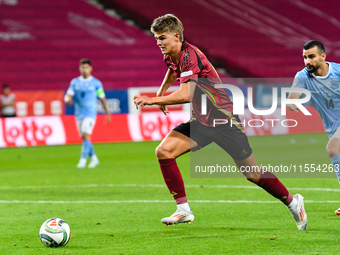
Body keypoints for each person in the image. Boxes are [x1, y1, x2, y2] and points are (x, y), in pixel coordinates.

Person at [133, 14, 307, 230]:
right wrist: (162, 91)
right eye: (156, 38)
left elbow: (187, 93)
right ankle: (183, 210)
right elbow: (171, 70)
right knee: (164, 151)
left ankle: (293, 202)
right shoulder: (172, 54)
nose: (158, 43)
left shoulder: (191, 56)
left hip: (224, 121)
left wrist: (153, 99)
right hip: (201, 122)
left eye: (162, 38)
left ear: (176, 36)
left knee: (252, 174)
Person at [287, 40, 340, 215]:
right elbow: (293, 94)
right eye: (304, 57)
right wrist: (293, 101)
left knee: (333, 149)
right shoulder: (303, 76)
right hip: (333, 127)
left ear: (323, 57)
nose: (307, 61)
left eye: (311, 57)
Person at [64, 58, 111, 168]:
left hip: (90, 113)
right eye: (82, 67)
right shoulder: (75, 82)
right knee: (85, 137)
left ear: (90, 69)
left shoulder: (96, 83)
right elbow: (69, 95)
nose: (84, 70)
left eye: (86, 67)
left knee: (86, 135)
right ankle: (94, 158)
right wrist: (67, 100)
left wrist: (107, 113)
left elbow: (102, 98)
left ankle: (83, 161)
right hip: (79, 114)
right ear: (79, 69)